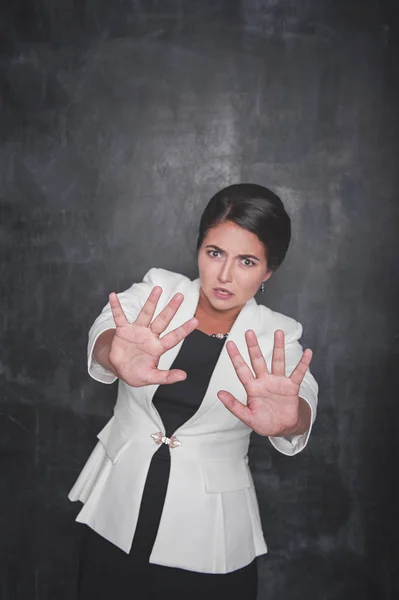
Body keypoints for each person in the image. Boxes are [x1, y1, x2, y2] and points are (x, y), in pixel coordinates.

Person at [69, 183, 319, 599]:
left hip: (210, 534)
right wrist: (115, 352)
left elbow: (302, 395)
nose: (224, 275)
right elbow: (107, 328)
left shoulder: (277, 334)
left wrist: (291, 418)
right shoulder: (158, 291)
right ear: (199, 248)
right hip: (119, 505)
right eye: (215, 253)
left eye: (247, 261)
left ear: (268, 272)